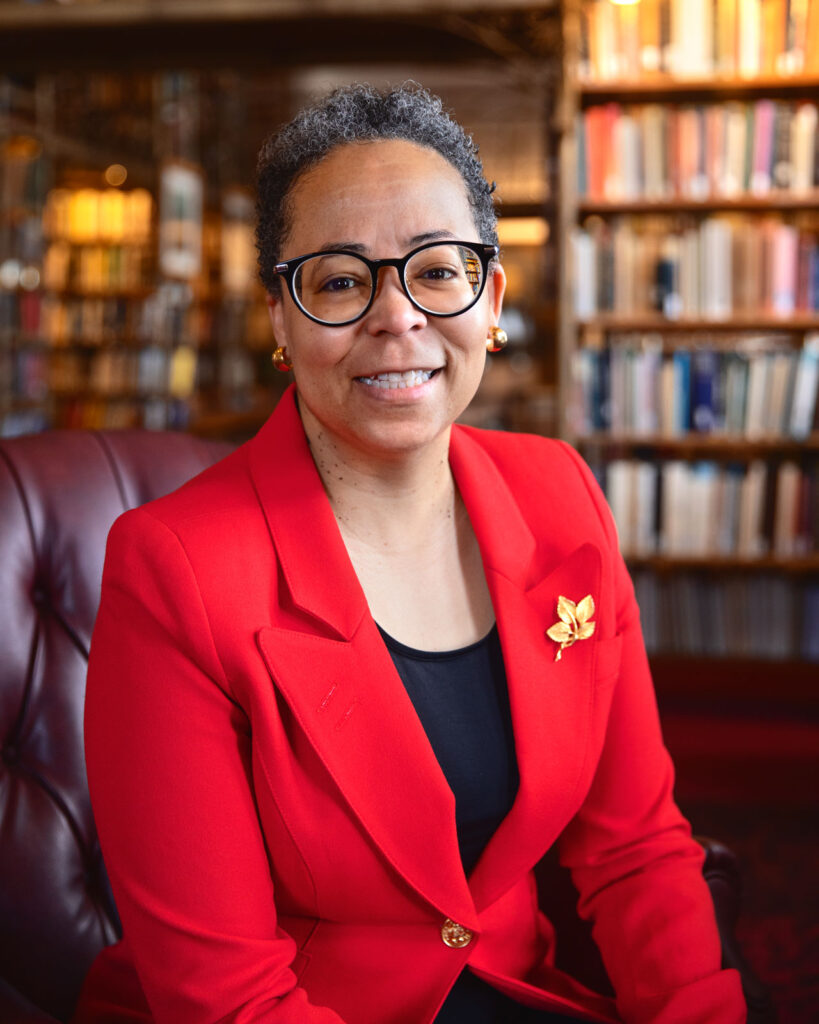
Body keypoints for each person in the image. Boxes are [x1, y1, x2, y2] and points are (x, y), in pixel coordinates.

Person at [74, 84, 746, 1024]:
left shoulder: (560, 494)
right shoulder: (173, 566)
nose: (397, 316)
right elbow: (227, 998)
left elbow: (632, 847)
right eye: (341, 281)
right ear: (279, 316)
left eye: (437, 270)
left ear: (491, 298)